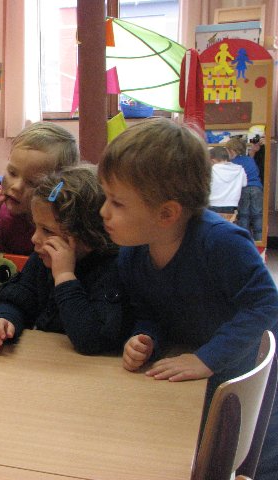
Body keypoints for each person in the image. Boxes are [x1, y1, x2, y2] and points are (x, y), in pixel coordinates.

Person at [98, 117, 278, 480]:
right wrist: (146, 338)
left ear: (167, 213)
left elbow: (265, 304)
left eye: (116, 202)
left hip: (246, 377)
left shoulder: (221, 242)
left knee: (246, 463)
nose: (103, 211)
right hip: (196, 379)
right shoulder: (132, 253)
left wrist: (207, 358)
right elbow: (150, 310)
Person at [0, 167, 130, 353]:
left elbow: (93, 340)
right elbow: (18, 299)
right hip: (42, 360)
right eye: (35, 226)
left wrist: (64, 277)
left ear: (87, 237)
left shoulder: (111, 270)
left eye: (47, 231)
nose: (34, 238)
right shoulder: (41, 260)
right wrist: (4, 318)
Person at [0, 121, 79, 255]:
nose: (16, 186)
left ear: (56, 189)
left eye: (32, 183)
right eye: (12, 173)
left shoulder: (53, 218)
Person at [225, 137, 263, 241]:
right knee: (258, 215)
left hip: (243, 189)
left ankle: (244, 240)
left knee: (244, 215)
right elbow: (254, 169)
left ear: (232, 151)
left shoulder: (234, 163)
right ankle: (259, 240)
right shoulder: (249, 159)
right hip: (257, 188)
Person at [208, 145, 246, 215]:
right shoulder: (239, 169)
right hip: (231, 203)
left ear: (212, 160)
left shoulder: (211, 170)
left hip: (213, 203)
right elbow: (244, 183)